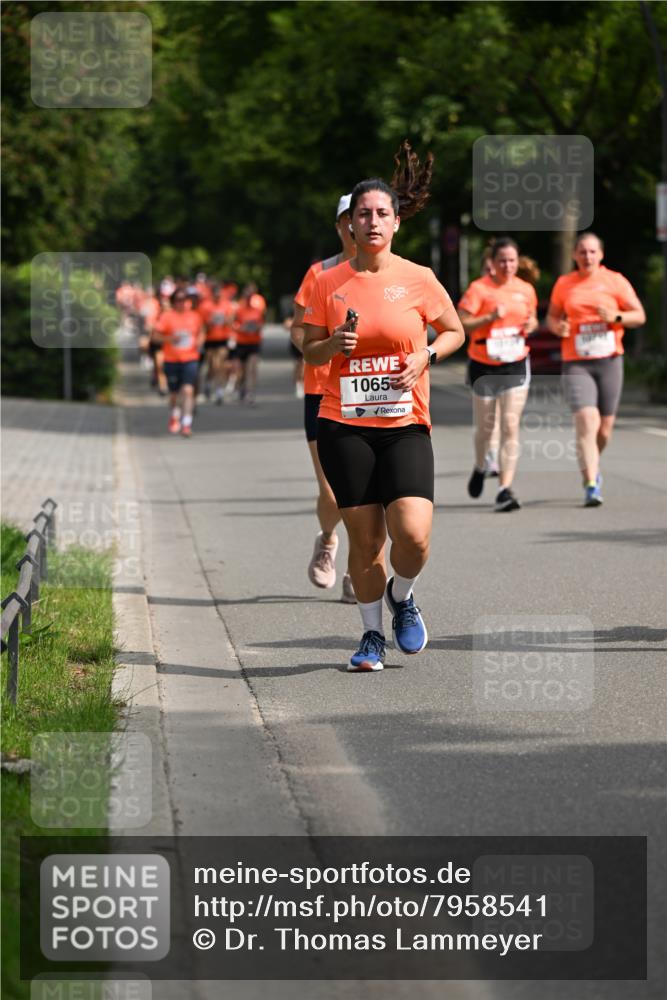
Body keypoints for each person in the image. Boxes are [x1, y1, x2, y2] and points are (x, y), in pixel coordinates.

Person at [302, 142, 465, 672]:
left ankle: (404, 594)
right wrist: (334, 347)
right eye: (362, 214)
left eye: (381, 214)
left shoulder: (417, 277)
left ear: (396, 223)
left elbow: (455, 330)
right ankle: (371, 636)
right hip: (343, 425)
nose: (371, 222)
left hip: (405, 423)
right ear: (349, 223)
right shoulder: (328, 282)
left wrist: (427, 354)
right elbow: (309, 347)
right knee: (366, 541)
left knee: (413, 537)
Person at [546, 232, 646, 506]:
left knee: (604, 430)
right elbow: (553, 317)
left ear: (600, 255)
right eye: (582, 252)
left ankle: (592, 462)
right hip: (577, 362)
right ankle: (591, 482)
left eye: (592, 252)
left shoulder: (615, 281)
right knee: (586, 422)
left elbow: (639, 315)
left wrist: (616, 317)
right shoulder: (565, 284)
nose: (587, 256)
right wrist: (558, 327)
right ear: (574, 255)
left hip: (610, 360)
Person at [291, 194, 357, 603]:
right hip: (322, 390)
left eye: (366, 217)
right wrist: (321, 348)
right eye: (349, 219)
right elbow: (299, 329)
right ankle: (329, 539)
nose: (357, 226)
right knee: (334, 491)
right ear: (338, 226)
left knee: (371, 493)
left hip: (373, 392)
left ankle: (359, 567)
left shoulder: (393, 274)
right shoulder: (320, 274)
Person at [458, 237, 538, 511]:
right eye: (502, 260)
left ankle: (505, 488)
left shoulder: (525, 289)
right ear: (492, 263)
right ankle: (480, 466)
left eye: (512, 261)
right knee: (485, 428)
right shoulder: (479, 289)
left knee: (510, 425)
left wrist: (532, 323)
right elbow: (461, 323)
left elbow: (534, 318)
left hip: (515, 362)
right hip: (483, 365)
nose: (508, 265)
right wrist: (489, 318)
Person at [155, 288, 205, 437]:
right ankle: (174, 415)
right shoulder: (166, 317)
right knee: (174, 395)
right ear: (173, 302)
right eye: (178, 300)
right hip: (171, 360)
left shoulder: (195, 316)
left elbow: (201, 331)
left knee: (188, 390)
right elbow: (155, 337)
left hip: (190, 358)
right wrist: (169, 339)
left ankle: (186, 424)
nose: (182, 303)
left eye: (184, 300)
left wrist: (199, 341)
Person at [200, 282, 236, 403]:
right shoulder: (205, 306)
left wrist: (226, 320)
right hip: (210, 339)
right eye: (215, 295)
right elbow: (202, 325)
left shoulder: (226, 305)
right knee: (211, 366)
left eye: (219, 295)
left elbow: (231, 321)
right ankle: (208, 384)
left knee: (219, 364)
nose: (217, 297)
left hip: (222, 338)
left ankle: (219, 391)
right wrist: (210, 322)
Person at [233, 283, 266, 405]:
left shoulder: (257, 311)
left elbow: (262, 323)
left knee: (252, 368)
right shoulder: (239, 309)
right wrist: (241, 328)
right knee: (240, 370)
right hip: (241, 342)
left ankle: (250, 392)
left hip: (254, 342)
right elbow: (233, 324)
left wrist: (256, 328)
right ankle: (241, 387)